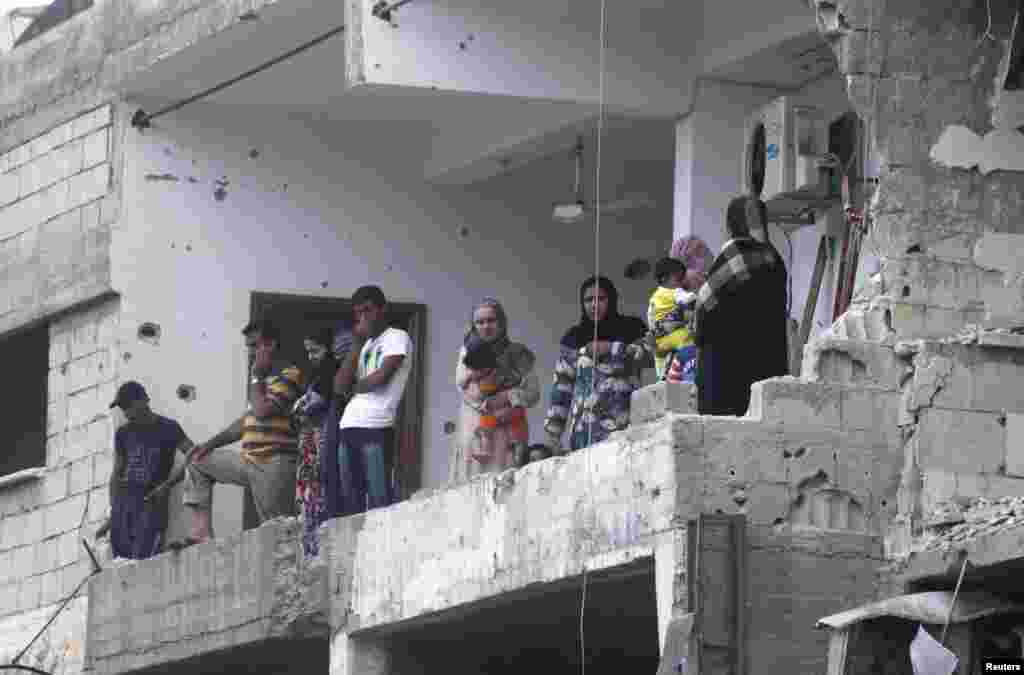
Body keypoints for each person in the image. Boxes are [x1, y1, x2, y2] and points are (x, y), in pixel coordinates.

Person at [181, 319, 305, 544]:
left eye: (256, 345)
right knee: (198, 461)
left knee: (278, 532)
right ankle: (200, 533)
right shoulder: (260, 382)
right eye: (249, 346)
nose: (251, 352)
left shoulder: (290, 374)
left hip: (274, 464)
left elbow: (262, 411)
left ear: (271, 344)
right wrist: (209, 445)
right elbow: (247, 422)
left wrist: (257, 375)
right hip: (249, 461)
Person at [695, 196, 789, 416]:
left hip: (726, 374)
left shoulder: (734, 256)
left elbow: (704, 307)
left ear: (731, 225)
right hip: (767, 367)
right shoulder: (774, 258)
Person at [544, 276, 649, 452]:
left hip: (626, 431)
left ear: (612, 300)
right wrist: (553, 436)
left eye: (601, 299)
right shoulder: (573, 337)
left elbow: (650, 356)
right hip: (584, 435)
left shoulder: (631, 327)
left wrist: (612, 348)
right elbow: (562, 388)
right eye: (588, 300)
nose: (594, 305)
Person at [335, 286, 413, 512]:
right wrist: (357, 344)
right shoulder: (365, 344)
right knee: (352, 502)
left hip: (376, 428)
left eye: (367, 310)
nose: (363, 317)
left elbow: (382, 377)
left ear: (382, 309)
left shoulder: (397, 336)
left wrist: (354, 387)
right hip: (348, 426)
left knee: (380, 501)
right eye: (358, 313)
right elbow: (339, 386)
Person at [96, 381, 194, 559]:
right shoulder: (123, 434)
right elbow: (116, 474)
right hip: (124, 506)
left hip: (151, 503)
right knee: (121, 563)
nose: (125, 413)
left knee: (144, 560)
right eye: (122, 408)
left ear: (142, 401)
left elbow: (194, 457)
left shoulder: (169, 428)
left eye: (127, 406)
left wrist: (168, 485)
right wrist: (112, 516)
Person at [450, 298, 540, 484]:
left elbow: (533, 393)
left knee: (503, 492)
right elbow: (463, 387)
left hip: (508, 432)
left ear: (502, 323)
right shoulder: (467, 352)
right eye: (480, 322)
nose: (486, 326)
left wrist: (508, 396)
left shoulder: (518, 353)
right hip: (473, 432)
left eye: (491, 320)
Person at [292, 327, 339, 558]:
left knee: (317, 494)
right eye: (308, 352)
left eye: (316, 351)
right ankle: (309, 549)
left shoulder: (331, 373)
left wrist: (301, 406)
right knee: (307, 497)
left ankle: (316, 550)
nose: (311, 357)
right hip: (309, 445)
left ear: (328, 348)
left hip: (321, 443)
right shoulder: (317, 376)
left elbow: (306, 406)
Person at [647, 257, 698, 383]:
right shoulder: (674, 292)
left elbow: (652, 322)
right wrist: (698, 294)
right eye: (679, 279)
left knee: (661, 362)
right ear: (664, 279)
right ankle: (690, 373)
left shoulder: (653, 299)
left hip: (661, 340)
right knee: (689, 342)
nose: (682, 283)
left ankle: (661, 376)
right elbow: (689, 298)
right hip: (676, 336)